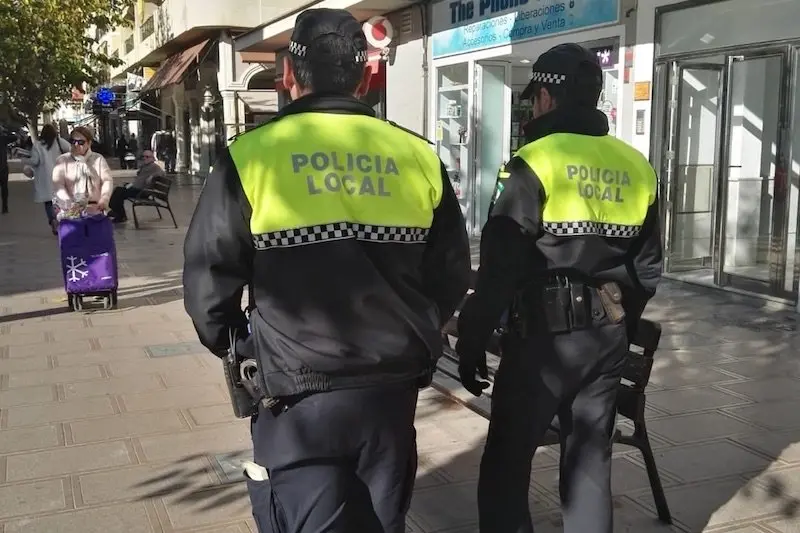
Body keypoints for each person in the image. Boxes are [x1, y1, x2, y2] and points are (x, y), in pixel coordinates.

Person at [182, 8, 471, 533]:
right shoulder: (418, 156)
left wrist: (245, 349)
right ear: (364, 77)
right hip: (391, 390)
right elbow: (452, 275)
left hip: (296, 397)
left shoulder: (251, 157)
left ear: (290, 75)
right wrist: (415, 331)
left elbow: (208, 287)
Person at [455, 43, 663, 533]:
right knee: (589, 466)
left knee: (507, 462)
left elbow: (500, 269)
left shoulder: (532, 163)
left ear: (546, 98)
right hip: (606, 341)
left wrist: (471, 339)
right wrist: (616, 323)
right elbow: (648, 267)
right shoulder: (636, 166)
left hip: (540, 346)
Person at [19, 124, 70, 233]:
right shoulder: (60, 142)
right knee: (60, 201)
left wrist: (25, 160)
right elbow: (71, 151)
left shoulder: (38, 145)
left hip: (45, 178)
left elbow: (35, 161)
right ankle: (60, 219)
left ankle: (53, 221)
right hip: (60, 176)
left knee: (48, 202)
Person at [52, 126, 113, 216]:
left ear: (89, 143)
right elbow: (58, 185)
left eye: (81, 142)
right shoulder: (62, 160)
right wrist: (68, 203)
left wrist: (104, 199)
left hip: (95, 209)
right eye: (73, 141)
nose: (76, 145)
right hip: (70, 212)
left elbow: (107, 180)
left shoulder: (98, 159)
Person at [107, 149, 164, 224]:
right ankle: (117, 211)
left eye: (147, 157)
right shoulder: (145, 166)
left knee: (119, 192)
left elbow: (162, 173)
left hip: (142, 192)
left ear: (152, 158)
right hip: (136, 189)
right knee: (118, 190)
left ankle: (119, 214)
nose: (145, 158)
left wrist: (152, 176)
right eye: (143, 157)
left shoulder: (154, 167)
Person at [0, 126, 18, 214]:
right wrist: (6, 130)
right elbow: (14, 137)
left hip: (3, 167)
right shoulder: (3, 138)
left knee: (4, 188)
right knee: (4, 188)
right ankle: (4, 207)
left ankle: (5, 207)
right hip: (2, 167)